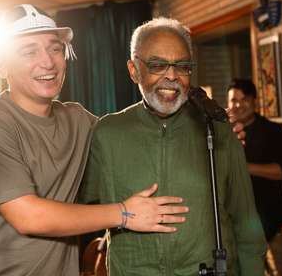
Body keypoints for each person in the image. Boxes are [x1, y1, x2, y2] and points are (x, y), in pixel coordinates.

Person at [0, 4, 190, 276]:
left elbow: (132, 137)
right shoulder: (1, 123)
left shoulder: (77, 119)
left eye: (55, 48)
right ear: (2, 65)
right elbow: (28, 216)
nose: (48, 62)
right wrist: (125, 213)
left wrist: (204, 125)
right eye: (29, 51)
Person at [79, 17, 266, 276]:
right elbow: (77, 208)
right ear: (134, 71)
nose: (172, 76)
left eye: (183, 66)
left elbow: (246, 223)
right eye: (157, 65)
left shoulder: (219, 130)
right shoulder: (108, 133)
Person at [227, 78, 282, 242]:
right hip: (233, 221)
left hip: (269, 219)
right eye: (234, 100)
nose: (238, 105)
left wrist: (245, 168)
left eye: (244, 99)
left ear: (255, 101)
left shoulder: (275, 132)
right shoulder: (222, 134)